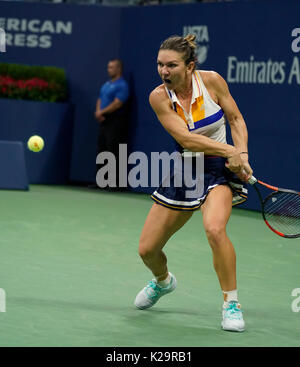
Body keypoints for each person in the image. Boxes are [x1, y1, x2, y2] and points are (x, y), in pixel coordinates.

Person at [134, 34, 253, 332]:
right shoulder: (158, 97)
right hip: (185, 171)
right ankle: (163, 282)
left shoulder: (212, 81)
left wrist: (243, 155)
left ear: (189, 67)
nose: (164, 71)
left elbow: (236, 119)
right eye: (160, 65)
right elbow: (186, 139)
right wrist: (231, 151)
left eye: (171, 65)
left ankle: (231, 303)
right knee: (147, 250)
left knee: (215, 229)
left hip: (217, 171)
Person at [94, 58, 129, 190]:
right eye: (108, 67)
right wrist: (98, 112)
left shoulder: (122, 85)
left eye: (112, 67)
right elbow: (100, 98)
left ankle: (114, 184)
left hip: (115, 121)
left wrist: (102, 112)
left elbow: (117, 103)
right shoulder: (106, 84)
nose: (109, 69)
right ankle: (101, 182)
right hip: (103, 121)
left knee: (113, 151)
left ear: (119, 69)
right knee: (101, 150)